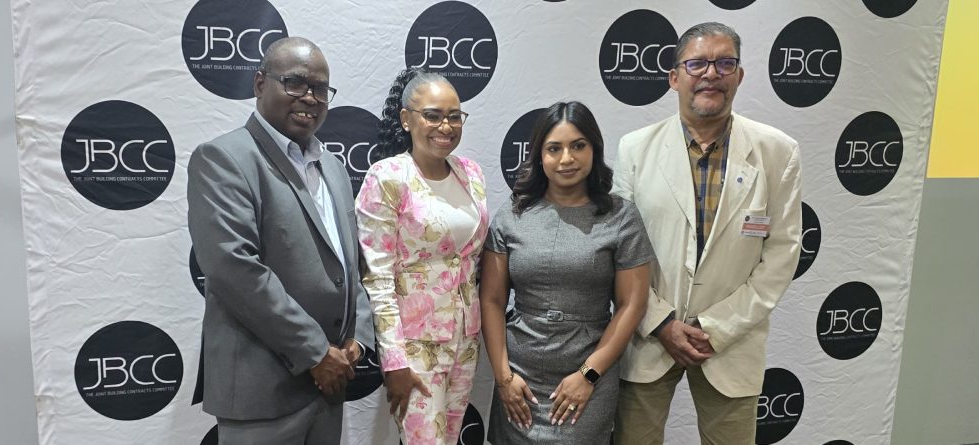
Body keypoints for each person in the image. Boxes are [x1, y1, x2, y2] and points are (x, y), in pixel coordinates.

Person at [612, 22, 802, 444]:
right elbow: (619, 252)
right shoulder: (635, 149)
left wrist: (717, 327)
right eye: (697, 63)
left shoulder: (778, 152)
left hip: (732, 343)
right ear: (674, 77)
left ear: (740, 75)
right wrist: (661, 323)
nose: (711, 74)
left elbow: (782, 255)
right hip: (648, 338)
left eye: (724, 63)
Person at [187, 37, 373, 445]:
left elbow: (350, 263)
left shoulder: (333, 167)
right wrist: (316, 352)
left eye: (320, 88)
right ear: (259, 84)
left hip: (329, 386)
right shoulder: (224, 159)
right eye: (295, 83)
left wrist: (358, 339)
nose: (310, 97)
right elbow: (235, 270)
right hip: (261, 392)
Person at [480, 101, 653, 444]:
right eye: (554, 148)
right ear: (539, 155)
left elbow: (632, 304)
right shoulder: (513, 214)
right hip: (519, 379)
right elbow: (492, 300)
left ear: (594, 149)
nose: (566, 159)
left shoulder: (621, 217)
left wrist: (588, 375)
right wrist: (503, 378)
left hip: (588, 373)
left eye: (578, 146)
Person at [355, 68, 489, 445]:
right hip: (414, 346)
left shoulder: (471, 174)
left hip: (466, 339)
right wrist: (394, 361)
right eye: (433, 115)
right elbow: (378, 277)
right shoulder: (387, 177)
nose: (445, 126)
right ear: (406, 119)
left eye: (454, 116)